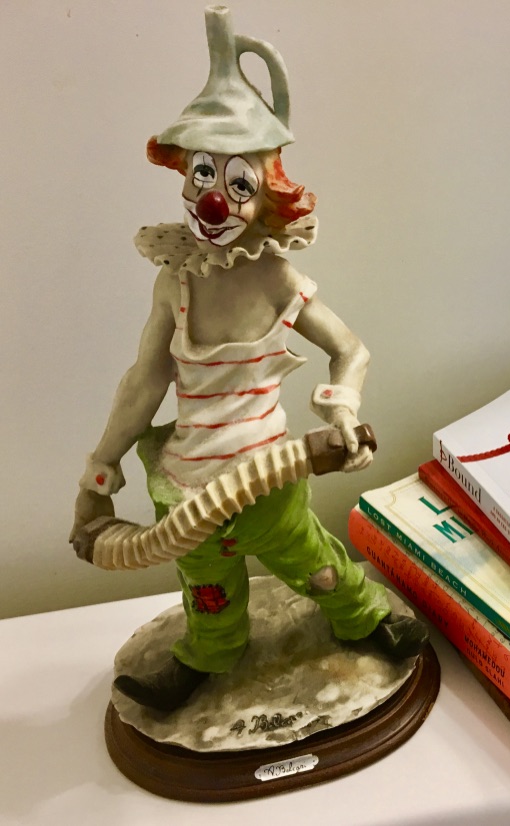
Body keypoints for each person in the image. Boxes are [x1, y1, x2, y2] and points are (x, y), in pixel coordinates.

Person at [70, 7, 426, 712]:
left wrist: (343, 406)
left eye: (237, 181)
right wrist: (99, 473)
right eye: (204, 171)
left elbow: (349, 349)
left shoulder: (276, 279)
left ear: (267, 191)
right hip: (187, 492)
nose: (214, 196)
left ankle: (363, 618)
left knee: (314, 564)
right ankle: (207, 655)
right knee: (206, 590)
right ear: (183, 175)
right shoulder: (176, 278)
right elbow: (145, 380)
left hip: (268, 481)